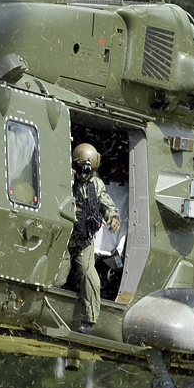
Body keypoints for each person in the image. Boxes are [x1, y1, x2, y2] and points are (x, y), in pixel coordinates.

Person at [69, 143, 120, 335]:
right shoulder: (66, 178)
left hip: (84, 239)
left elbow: (105, 201)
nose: (85, 174)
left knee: (88, 274)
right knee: (58, 274)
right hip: (65, 236)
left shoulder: (96, 185)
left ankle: (89, 319)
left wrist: (113, 217)